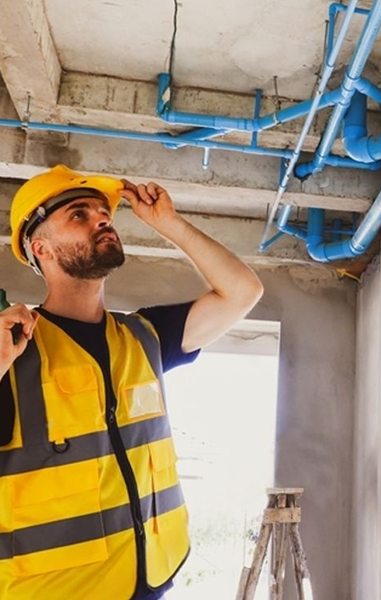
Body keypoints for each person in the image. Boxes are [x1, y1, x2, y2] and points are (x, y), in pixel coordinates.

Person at [0, 165, 264, 600]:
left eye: (104, 212)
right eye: (79, 215)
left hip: (152, 582)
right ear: (41, 248)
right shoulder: (14, 349)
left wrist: (169, 224)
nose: (102, 218)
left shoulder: (145, 336)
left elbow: (242, 292)